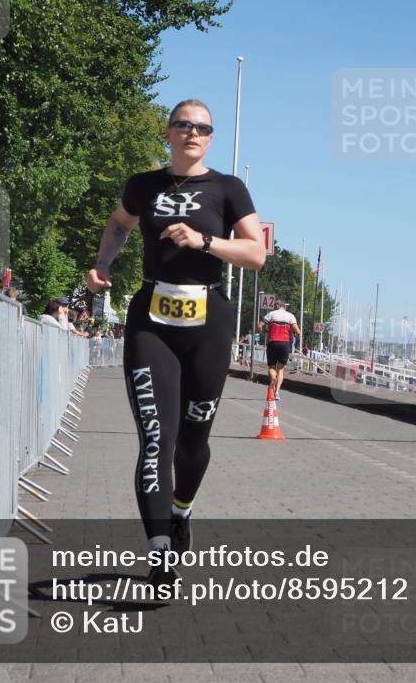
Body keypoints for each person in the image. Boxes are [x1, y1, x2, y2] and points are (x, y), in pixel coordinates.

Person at [86, 98, 264, 585]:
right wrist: (103, 264)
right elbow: (119, 224)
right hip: (152, 321)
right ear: (168, 132)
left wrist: (205, 242)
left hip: (209, 320)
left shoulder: (228, 188)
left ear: (211, 138)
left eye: (203, 128)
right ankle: (160, 550)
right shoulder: (143, 185)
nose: (193, 133)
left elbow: (256, 253)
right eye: (184, 124)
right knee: (155, 439)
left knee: (193, 439)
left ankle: (181, 510)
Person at [258, 300, 301, 400]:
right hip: (285, 344)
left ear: (277, 305)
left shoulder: (271, 314)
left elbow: (259, 326)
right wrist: (295, 334)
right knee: (281, 369)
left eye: (274, 306)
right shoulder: (290, 316)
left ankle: (273, 378)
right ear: (284, 306)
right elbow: (298, 332)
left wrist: (263, 331)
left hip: (273, 342)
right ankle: (277, 392)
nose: (273, 308)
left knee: (272, 367)